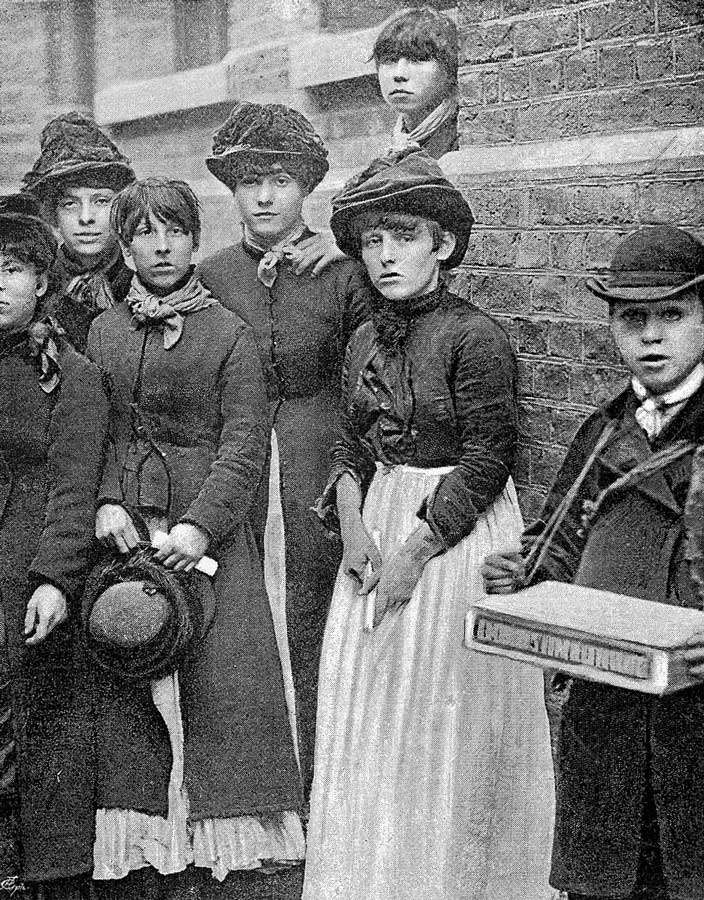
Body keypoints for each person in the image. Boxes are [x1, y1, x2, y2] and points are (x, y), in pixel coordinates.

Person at [302, 149, 555, 900]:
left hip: (456, 536)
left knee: (443, 716)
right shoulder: (363, 339)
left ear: (441, 244)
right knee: (369, 709)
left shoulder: (475, 338)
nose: (385, 256)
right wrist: (352, 528)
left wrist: (414, 556)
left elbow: (488, 462)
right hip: (377, 525)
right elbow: (351, 442)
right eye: (373, 241)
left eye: (404, 237)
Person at [85, 178, 303, 899]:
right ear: (126, 245)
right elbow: (105, 430)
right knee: (132, 677)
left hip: (208, 532)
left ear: (193, 238)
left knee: (219, 684)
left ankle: (230, 847)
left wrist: (198, 524)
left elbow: (243, 446)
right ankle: (151, 841)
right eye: (144, 233)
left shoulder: (229, 334)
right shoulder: (106, 331)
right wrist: (110, 501)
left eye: (173, 230)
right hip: (128, 535)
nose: (160, 245)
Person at [482, 225, 704, 900]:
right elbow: (559, 541)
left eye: (673, 315)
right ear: (611, 329)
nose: (652, 336)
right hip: (607, 720)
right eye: (632, 319)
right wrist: (524, 579)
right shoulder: (602, 430)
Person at [198, 102, 371, 801]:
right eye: (249, 182)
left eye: (281, 180)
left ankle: (333, 794)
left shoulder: (345, 273)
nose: (265, 197)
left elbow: (371, 382)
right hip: (241, 471)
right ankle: (267, 802)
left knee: (320, 624)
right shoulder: (210, 277)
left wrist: (352, 252)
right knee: (244, 628)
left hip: (319, 469)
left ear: (307, 187)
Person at [0, 194, 109, 899]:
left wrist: (53, 579)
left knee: (19, 719)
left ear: (41, 281)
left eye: (9, 269)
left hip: (25, 565)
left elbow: (75, 489)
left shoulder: (73, 375)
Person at [288, 6, 460, 277]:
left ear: (450, 72)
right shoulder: (399, 141)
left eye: (418, 60)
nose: (399, 74)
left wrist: (348, 245)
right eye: (389, 61)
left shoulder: (458, 140)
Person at [22, 111, 136, 350]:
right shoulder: (27, 294)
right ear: (52, 215)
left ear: (121, 209)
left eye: (101, 201)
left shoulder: (145, 289)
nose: (86, 218)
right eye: (70, 204)